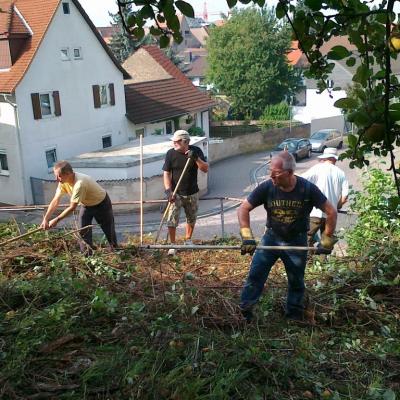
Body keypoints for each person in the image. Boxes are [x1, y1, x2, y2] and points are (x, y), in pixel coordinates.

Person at [238, 151, 337, 322]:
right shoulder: (267, 187)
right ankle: (244, 312)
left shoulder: (307, 189)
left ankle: (293, 316)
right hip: (271, 238)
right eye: (270, 172)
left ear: (290, 173)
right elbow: (243, 208)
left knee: (296, 280)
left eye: (275, 174)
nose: (271, 177)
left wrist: (327, 238)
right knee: (256, 275)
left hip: (296, 241)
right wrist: (246, 235)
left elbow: (331, 212)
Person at [40, 160, 117, 253]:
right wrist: (46, 219)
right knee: (83, 231)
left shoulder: (80, 183)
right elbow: (55, 200)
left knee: (108, 230)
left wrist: (56, 220)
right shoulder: (63, 182)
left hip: (101, 203)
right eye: (55, 175)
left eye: (59, 176)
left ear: (68, 174)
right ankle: (87, 256)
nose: (57, 179)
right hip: (86, 205)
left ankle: (116, 251)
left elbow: (72, 207)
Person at [162, 130, 208, 255]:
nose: (174, 143)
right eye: (173, 141)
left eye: (176, 141)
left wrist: (195, 158)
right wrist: (168, 190)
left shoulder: (196, 151)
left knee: (191, 218)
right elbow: (166, 173)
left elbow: (205, 169)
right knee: (171, 220)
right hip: (176, 193)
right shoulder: (170, 154)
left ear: (185, 142)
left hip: (192, 192)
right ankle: (172, 245)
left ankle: (188, 240)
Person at [302, 147, 349, 246]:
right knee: (326, 243)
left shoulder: (317, 168)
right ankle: (323, 261)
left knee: (306, 239)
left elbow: (300, 181)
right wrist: (337, 206)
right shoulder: (341, 173)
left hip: (315, 212)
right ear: (334, 159)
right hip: (331, 216)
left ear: (325, 158)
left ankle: (308, 260)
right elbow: (345, 197)